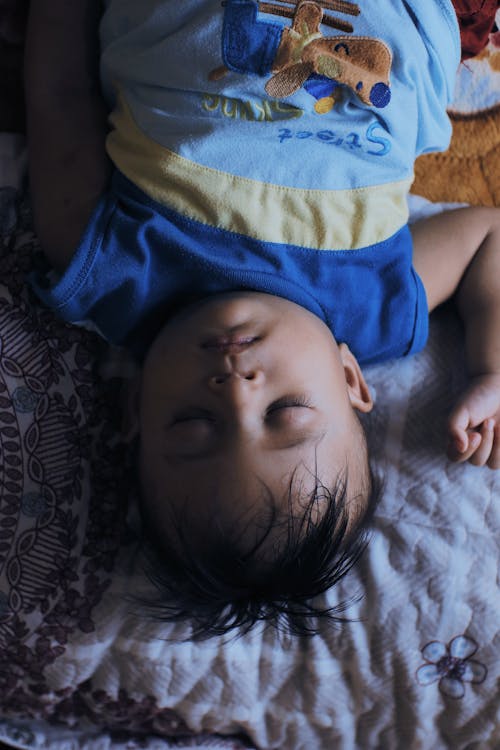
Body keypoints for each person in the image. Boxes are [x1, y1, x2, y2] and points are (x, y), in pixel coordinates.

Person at [24, 0, 500, 637]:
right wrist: (491, 367)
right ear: (351, 379)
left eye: (194, 422)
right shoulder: (372, 308)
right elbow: (487, 239)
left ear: (134, 406)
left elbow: (58, 93)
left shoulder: (105, 269)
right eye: (287, 413)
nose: (238, 388)